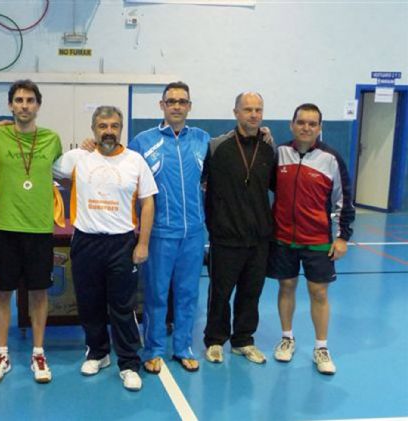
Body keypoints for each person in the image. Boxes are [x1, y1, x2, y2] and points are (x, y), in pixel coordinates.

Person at [53, 106, 157, 391]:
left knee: (123, 307)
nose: (108, 131)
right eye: (102, 125)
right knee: (89, 303)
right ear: (93, 129)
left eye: (113, 125)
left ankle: (128, 362)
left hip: (121, 243)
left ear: (121, 128)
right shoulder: (77, 158)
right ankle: (97, 353)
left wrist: (143, 242)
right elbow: (45, 172)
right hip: (85, 241)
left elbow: (148, 202)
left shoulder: (135, 161)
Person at [0, 80, 62, 384]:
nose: (24, 105)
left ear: (38, 105)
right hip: (4, 227)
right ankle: (2, 352)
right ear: (10, 105)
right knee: (3, 292)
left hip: (40, 228)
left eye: (30, 100)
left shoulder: (51, 139)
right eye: (18, 100)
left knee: (39, 292)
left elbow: (66, 166)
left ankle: (38, 353)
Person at [127, 82, 209, 374]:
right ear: (161, 105)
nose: (176, 106)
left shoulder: (202, 140)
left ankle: (184, 347)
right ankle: (153, 348)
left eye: (182, 101)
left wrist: (263, 134)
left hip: (194, 233)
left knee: (188, 294)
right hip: (160, 233)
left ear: (189, 106)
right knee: (157, 293)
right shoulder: (142, 142)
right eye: (171, 101)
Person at [268, 103, 354, 375]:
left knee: (318, 292)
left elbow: (345, 200)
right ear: (292, 125)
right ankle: (287, 338)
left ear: (320, 128)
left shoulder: (331, 159)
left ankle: (321, 347)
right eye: (301, 122)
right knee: (287, 287)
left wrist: (342, 238)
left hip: (317, 238)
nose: (306, 127)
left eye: (312, 123)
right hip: (283, 237)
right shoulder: (280, 153)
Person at [202, 92, 276, 365]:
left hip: (259, 238)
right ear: (236, 112)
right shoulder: (217, 147)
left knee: (251, 292)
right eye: (248, 109)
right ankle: (215, 340)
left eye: (258, 109)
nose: (254, 114)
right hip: (225, 236)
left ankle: (243, 340)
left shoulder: (269, 148)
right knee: (220, 293)